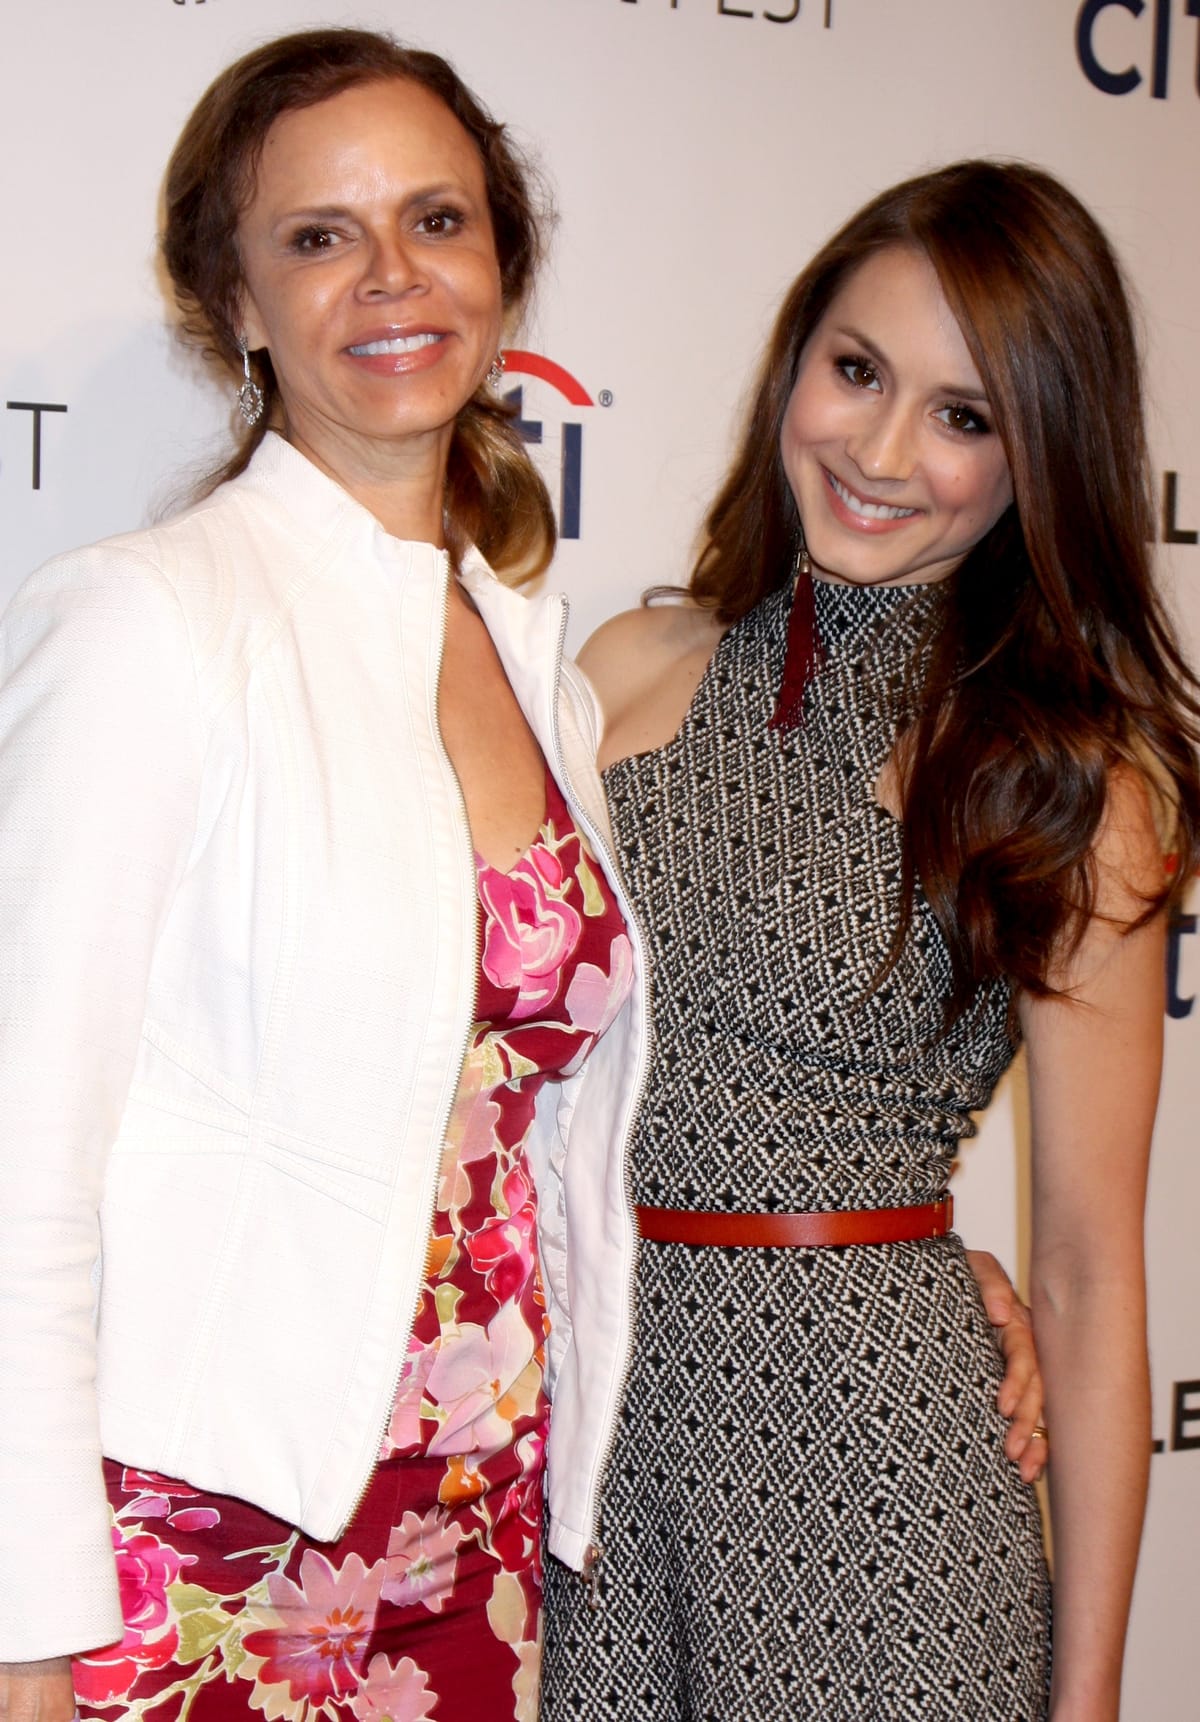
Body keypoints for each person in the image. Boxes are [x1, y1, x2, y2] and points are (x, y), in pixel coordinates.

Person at [0, 34, 1043, 1722]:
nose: (392, 275)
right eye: (319, 236)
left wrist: (910, 1265)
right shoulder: (150, 621)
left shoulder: (543, 666)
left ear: (500, 270)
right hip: (202, 1547)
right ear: (239, 302)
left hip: (488, 1542)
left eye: (436, 219)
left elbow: (563, 1117)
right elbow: (20, 1165)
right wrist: (24, 1635)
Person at [543, 160, 1200, 1720]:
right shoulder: (633, 661)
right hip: (596, 1465)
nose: (885, 449)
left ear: (1039, 453)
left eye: (965, 416)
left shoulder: (1076, 782)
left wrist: (1088, 1695)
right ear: (797, 363)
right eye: (858, 371)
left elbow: (1095, 1267)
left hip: (874, 1487)